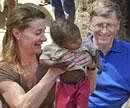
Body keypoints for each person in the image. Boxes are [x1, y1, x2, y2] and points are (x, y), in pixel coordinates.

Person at [0, 3, 93, 108]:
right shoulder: (4, 70)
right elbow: (23, 106)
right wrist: (53, 73)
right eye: (38, 33)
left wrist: (90, 66)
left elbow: (91, 90)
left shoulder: (51, 57)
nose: (44, 38)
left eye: (44, 32)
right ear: (17, 33)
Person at [40, 18, 102, 108]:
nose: (79, 42)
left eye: (79, 37)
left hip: (82, 83)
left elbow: (94, 52)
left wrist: (98, 64)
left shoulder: (84, 43)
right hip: (64, 85)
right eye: (74, 42)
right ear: (60, 43)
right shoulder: (53, 49)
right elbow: (42, 60)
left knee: (82, 105)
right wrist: (54, 64)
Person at [88, 0, 130, 108]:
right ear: (90, 25)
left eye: (110, 25)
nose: (104, 31)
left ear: (118, 26)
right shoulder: (77, 51)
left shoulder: (128, 52)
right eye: (99, 25)